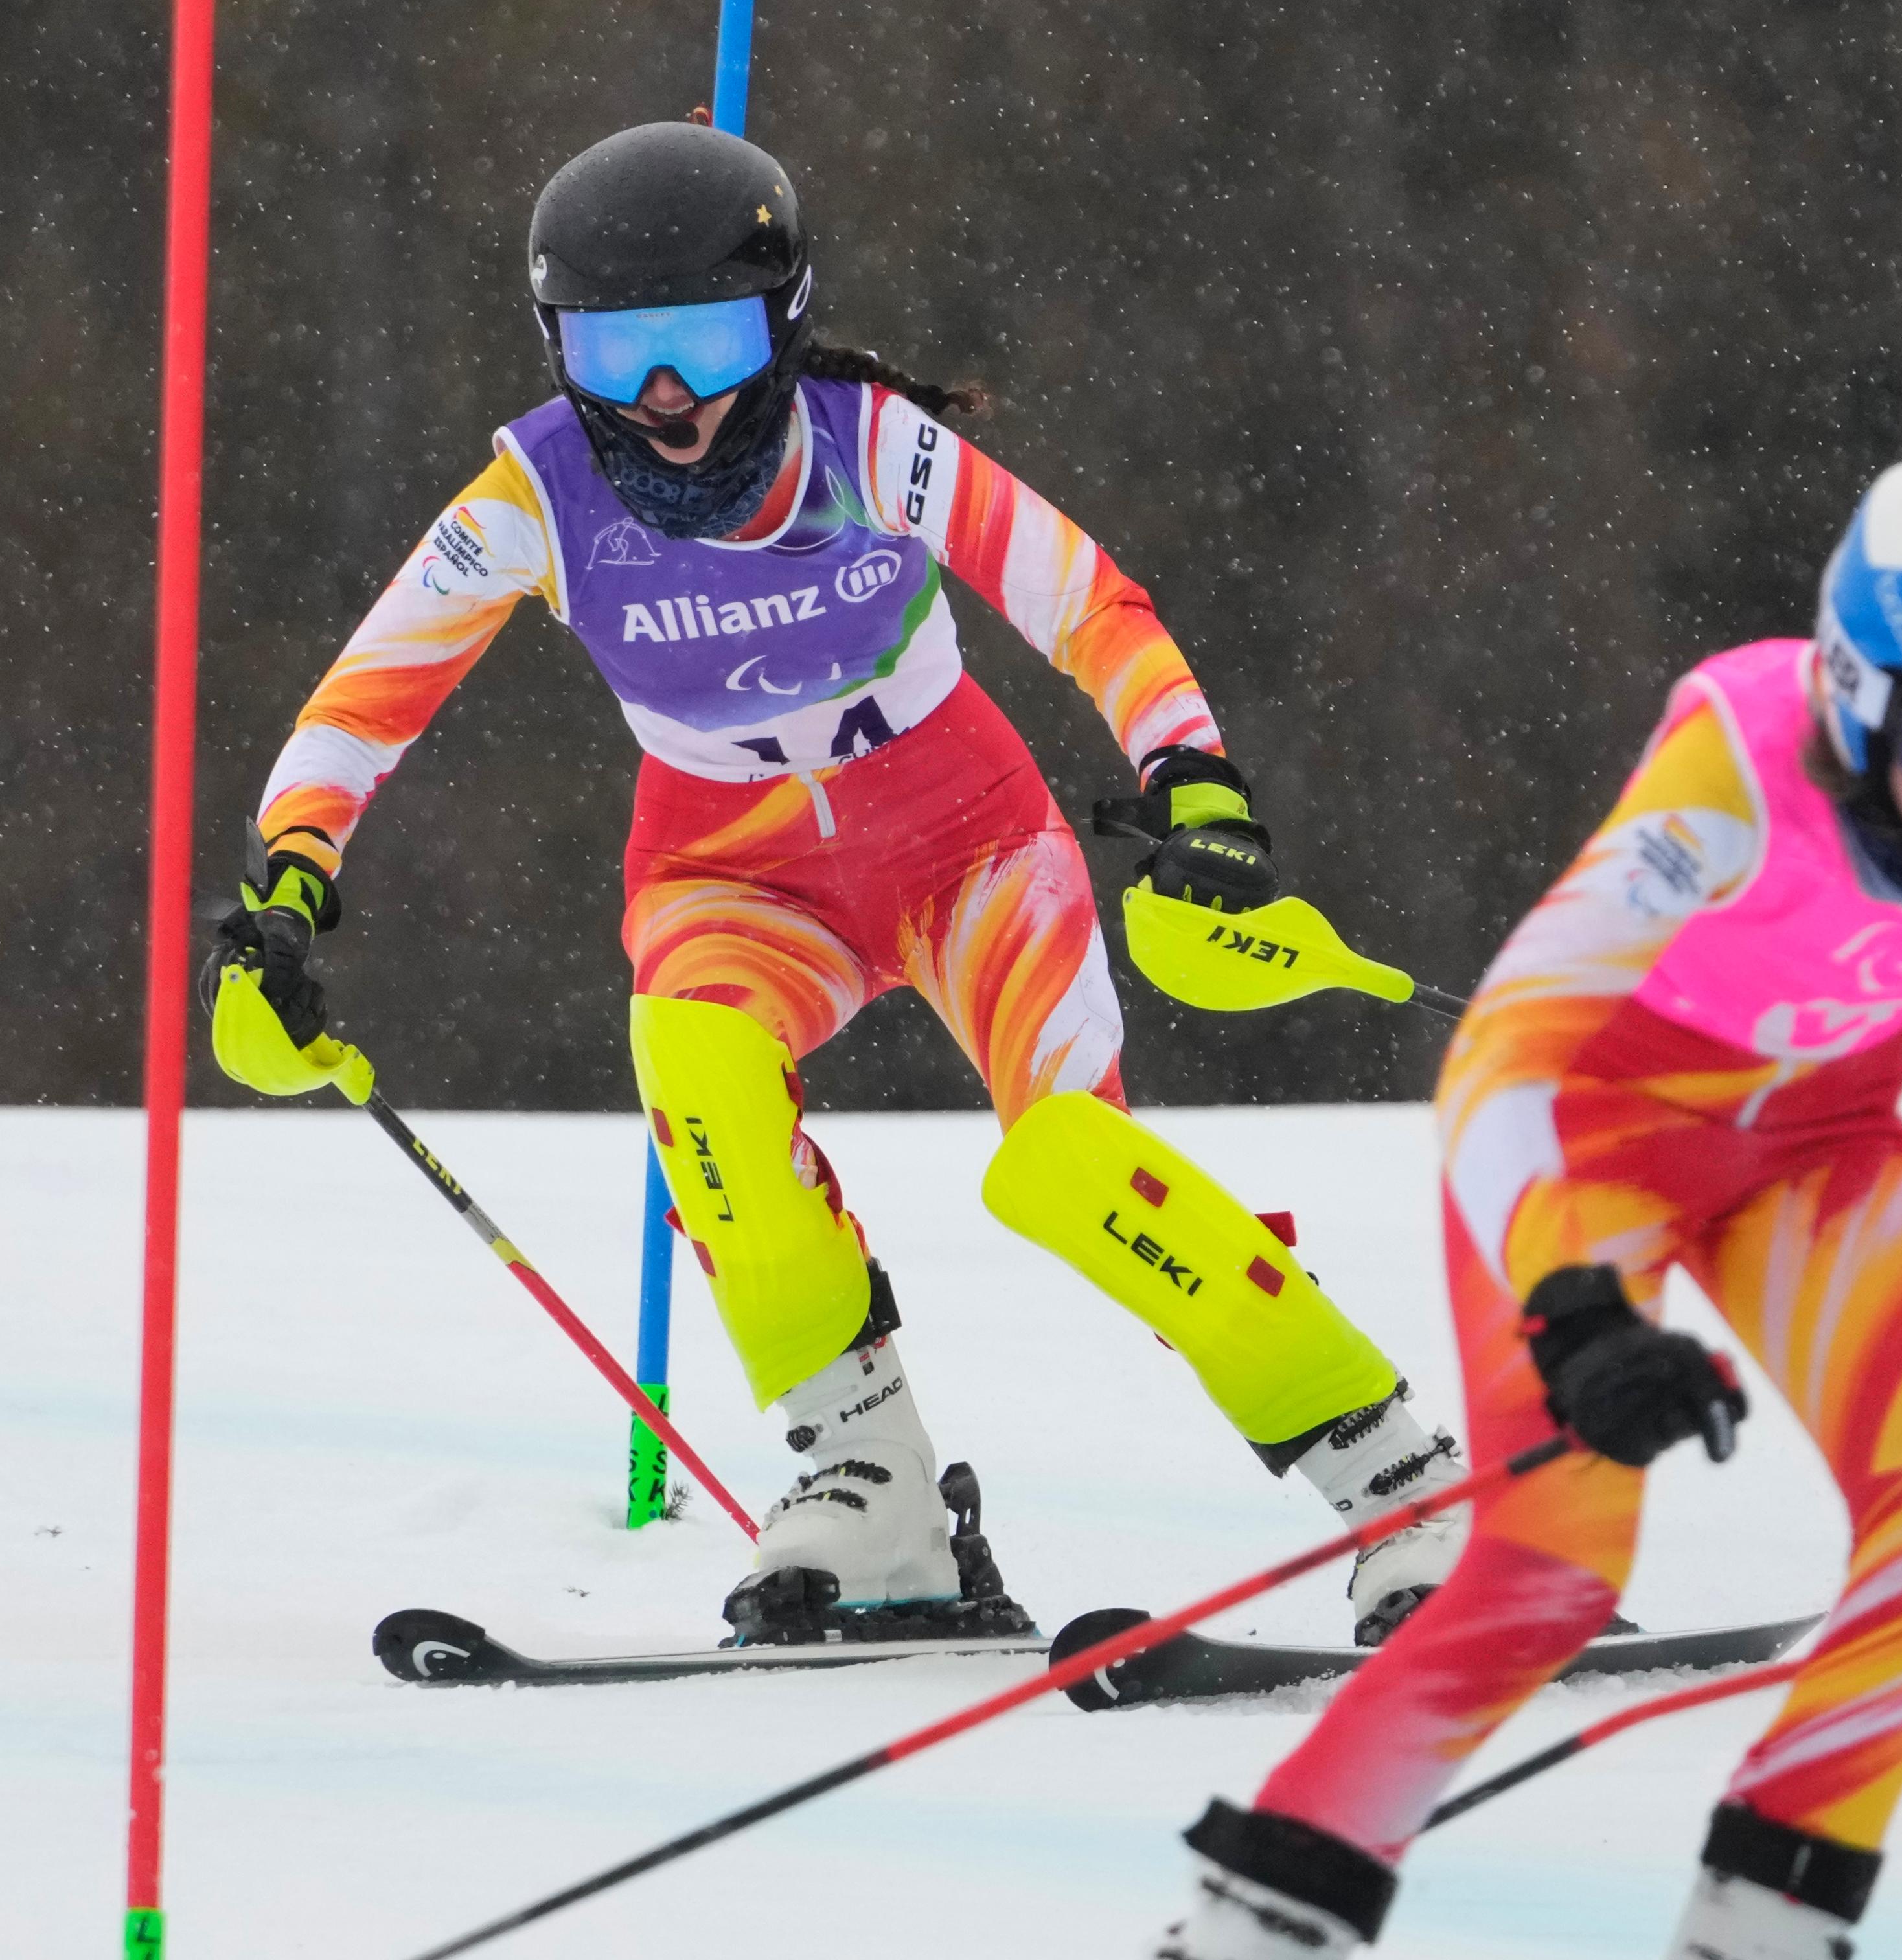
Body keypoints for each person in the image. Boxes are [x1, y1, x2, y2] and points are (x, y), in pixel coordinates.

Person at [972, 453, 1902, 1960]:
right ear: (1866, 698)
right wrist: (1577, 1310)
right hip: (1580, 1146)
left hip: (1813, 1145)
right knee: (1549, 1571)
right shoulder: (1733, 770)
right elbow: (1504, 1051)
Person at [199, 120, 1469, 1643]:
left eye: (705, 341)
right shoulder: (533, 495)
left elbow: (1088, 604)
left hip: (965, 841)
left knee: (1072, 1165)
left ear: (784, 321)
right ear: (558, 351)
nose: (665, 399)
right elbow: (367, 697)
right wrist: (289, 883)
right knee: (696, 1074)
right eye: (617, 356)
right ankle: (868, 1482)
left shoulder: (870, 445)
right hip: (729, 869)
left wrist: (1194, 787)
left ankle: (1407, 1489)